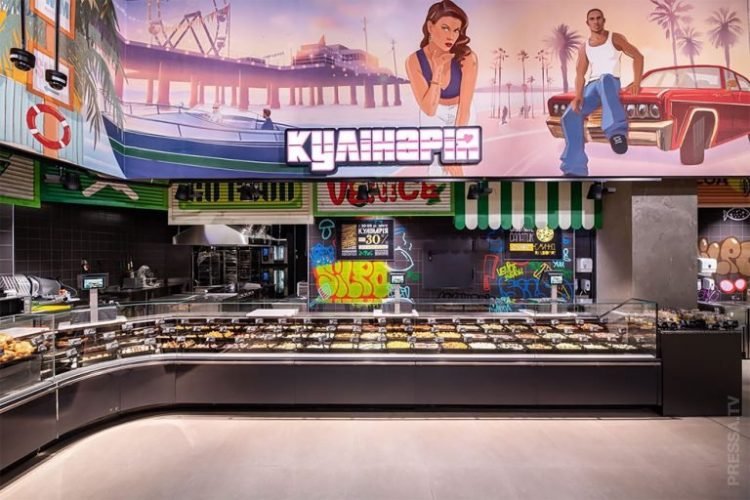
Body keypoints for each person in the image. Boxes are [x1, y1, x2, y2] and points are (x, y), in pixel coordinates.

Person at [559, 8, 643, 176]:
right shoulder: (584, 47)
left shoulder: (614, 38)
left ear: (603, 20)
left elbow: (638, 56)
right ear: (587, 23)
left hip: (610, 81)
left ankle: (617, 132)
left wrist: (637, 82)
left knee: (605, 79)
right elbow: (580, 74)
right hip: (592, 86)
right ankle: (575, 168)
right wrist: (578, 96)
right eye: (592, 19)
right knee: (569, 115)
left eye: (598, 18)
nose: (596, 21)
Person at [405, 0, 478, 177]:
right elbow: (429, 110)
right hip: (433, 114)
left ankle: (463, 191)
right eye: (445, 28)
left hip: (461, 113)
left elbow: (465, 109)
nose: (451, 36)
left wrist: (455, 150)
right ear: (430, 27)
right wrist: (437, 70)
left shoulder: (467, 57)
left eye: (456, 30)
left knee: (455, 165)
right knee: (436, 169)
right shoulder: (414, 61)